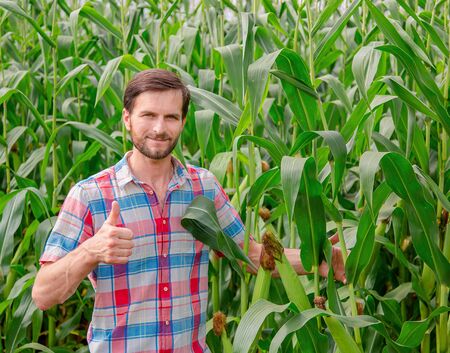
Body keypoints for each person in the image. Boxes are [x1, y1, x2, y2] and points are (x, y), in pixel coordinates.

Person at [32, 69, 345, 353]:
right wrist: (92, 249)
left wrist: (315, 259)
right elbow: (43, 294)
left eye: (170, 117)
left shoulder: (202, 187)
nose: (159, 128)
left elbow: (249, 254)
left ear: (183, 122)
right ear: (127, 118)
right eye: (148, 115)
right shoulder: (91, 195)